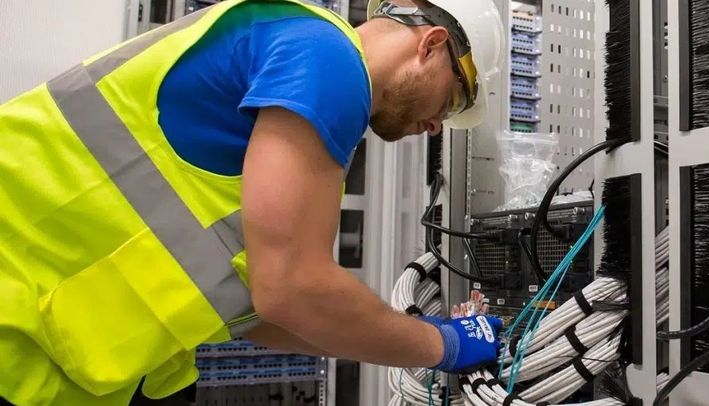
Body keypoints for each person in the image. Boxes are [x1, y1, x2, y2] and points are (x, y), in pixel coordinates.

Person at [0, 0, 505, 404]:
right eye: (455, 99)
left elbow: (268, 311)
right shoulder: (328, 58)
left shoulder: (298, 51)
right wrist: (445, 344)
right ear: (432, 45)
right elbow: (291, 289)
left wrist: (411, 339)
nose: (439, 124)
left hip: (49, 353)